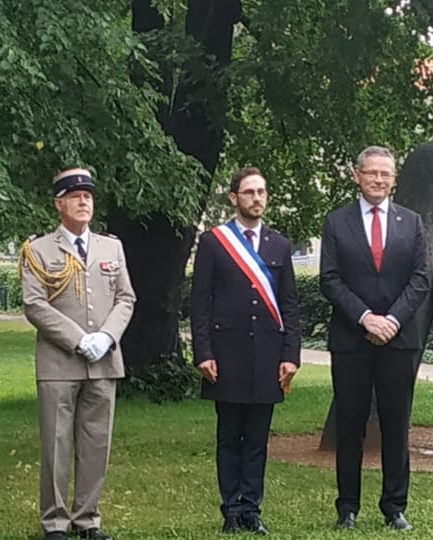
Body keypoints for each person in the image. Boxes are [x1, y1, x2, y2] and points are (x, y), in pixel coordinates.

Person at [19, 168, 136, 540]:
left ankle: (88, 519)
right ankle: (55, 521)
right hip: (59, 363)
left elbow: (125, 297)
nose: (84, 201)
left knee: (96, 443)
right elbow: (34, 304)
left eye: (88, 195)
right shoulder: (38, 250)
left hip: (103, 360)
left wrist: (107, 336)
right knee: (56, 443)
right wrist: (77, 338)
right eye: (75, 196)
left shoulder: (110, 246)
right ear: (59, 204)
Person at [319, 146, 429, 531]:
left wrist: (392, 320)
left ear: (393, 179)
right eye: (372, 173)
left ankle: (395, 508)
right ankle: (347, 507)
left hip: (399, 341)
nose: (379, 180)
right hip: (352, 339)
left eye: (386, 174)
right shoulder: (337, 222)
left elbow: (420, 279)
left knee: (396, 425)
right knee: (350, 425)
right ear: (357, 175)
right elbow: (330, 279)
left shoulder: (412, 222)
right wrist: (366, 319)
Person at [190, 167, 301, 535]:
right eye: (250, 192)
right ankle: (230, 510)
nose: (257, 198)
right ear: (234, 197)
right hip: (226, 354)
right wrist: (203, 352)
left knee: (257, 439)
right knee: (229, 437)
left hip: (268, 356)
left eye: (262, 192)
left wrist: (291, 355)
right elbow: (200, 303)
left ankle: (252, 508)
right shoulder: (214, 242)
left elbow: (289, 306)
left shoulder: (279, 245)